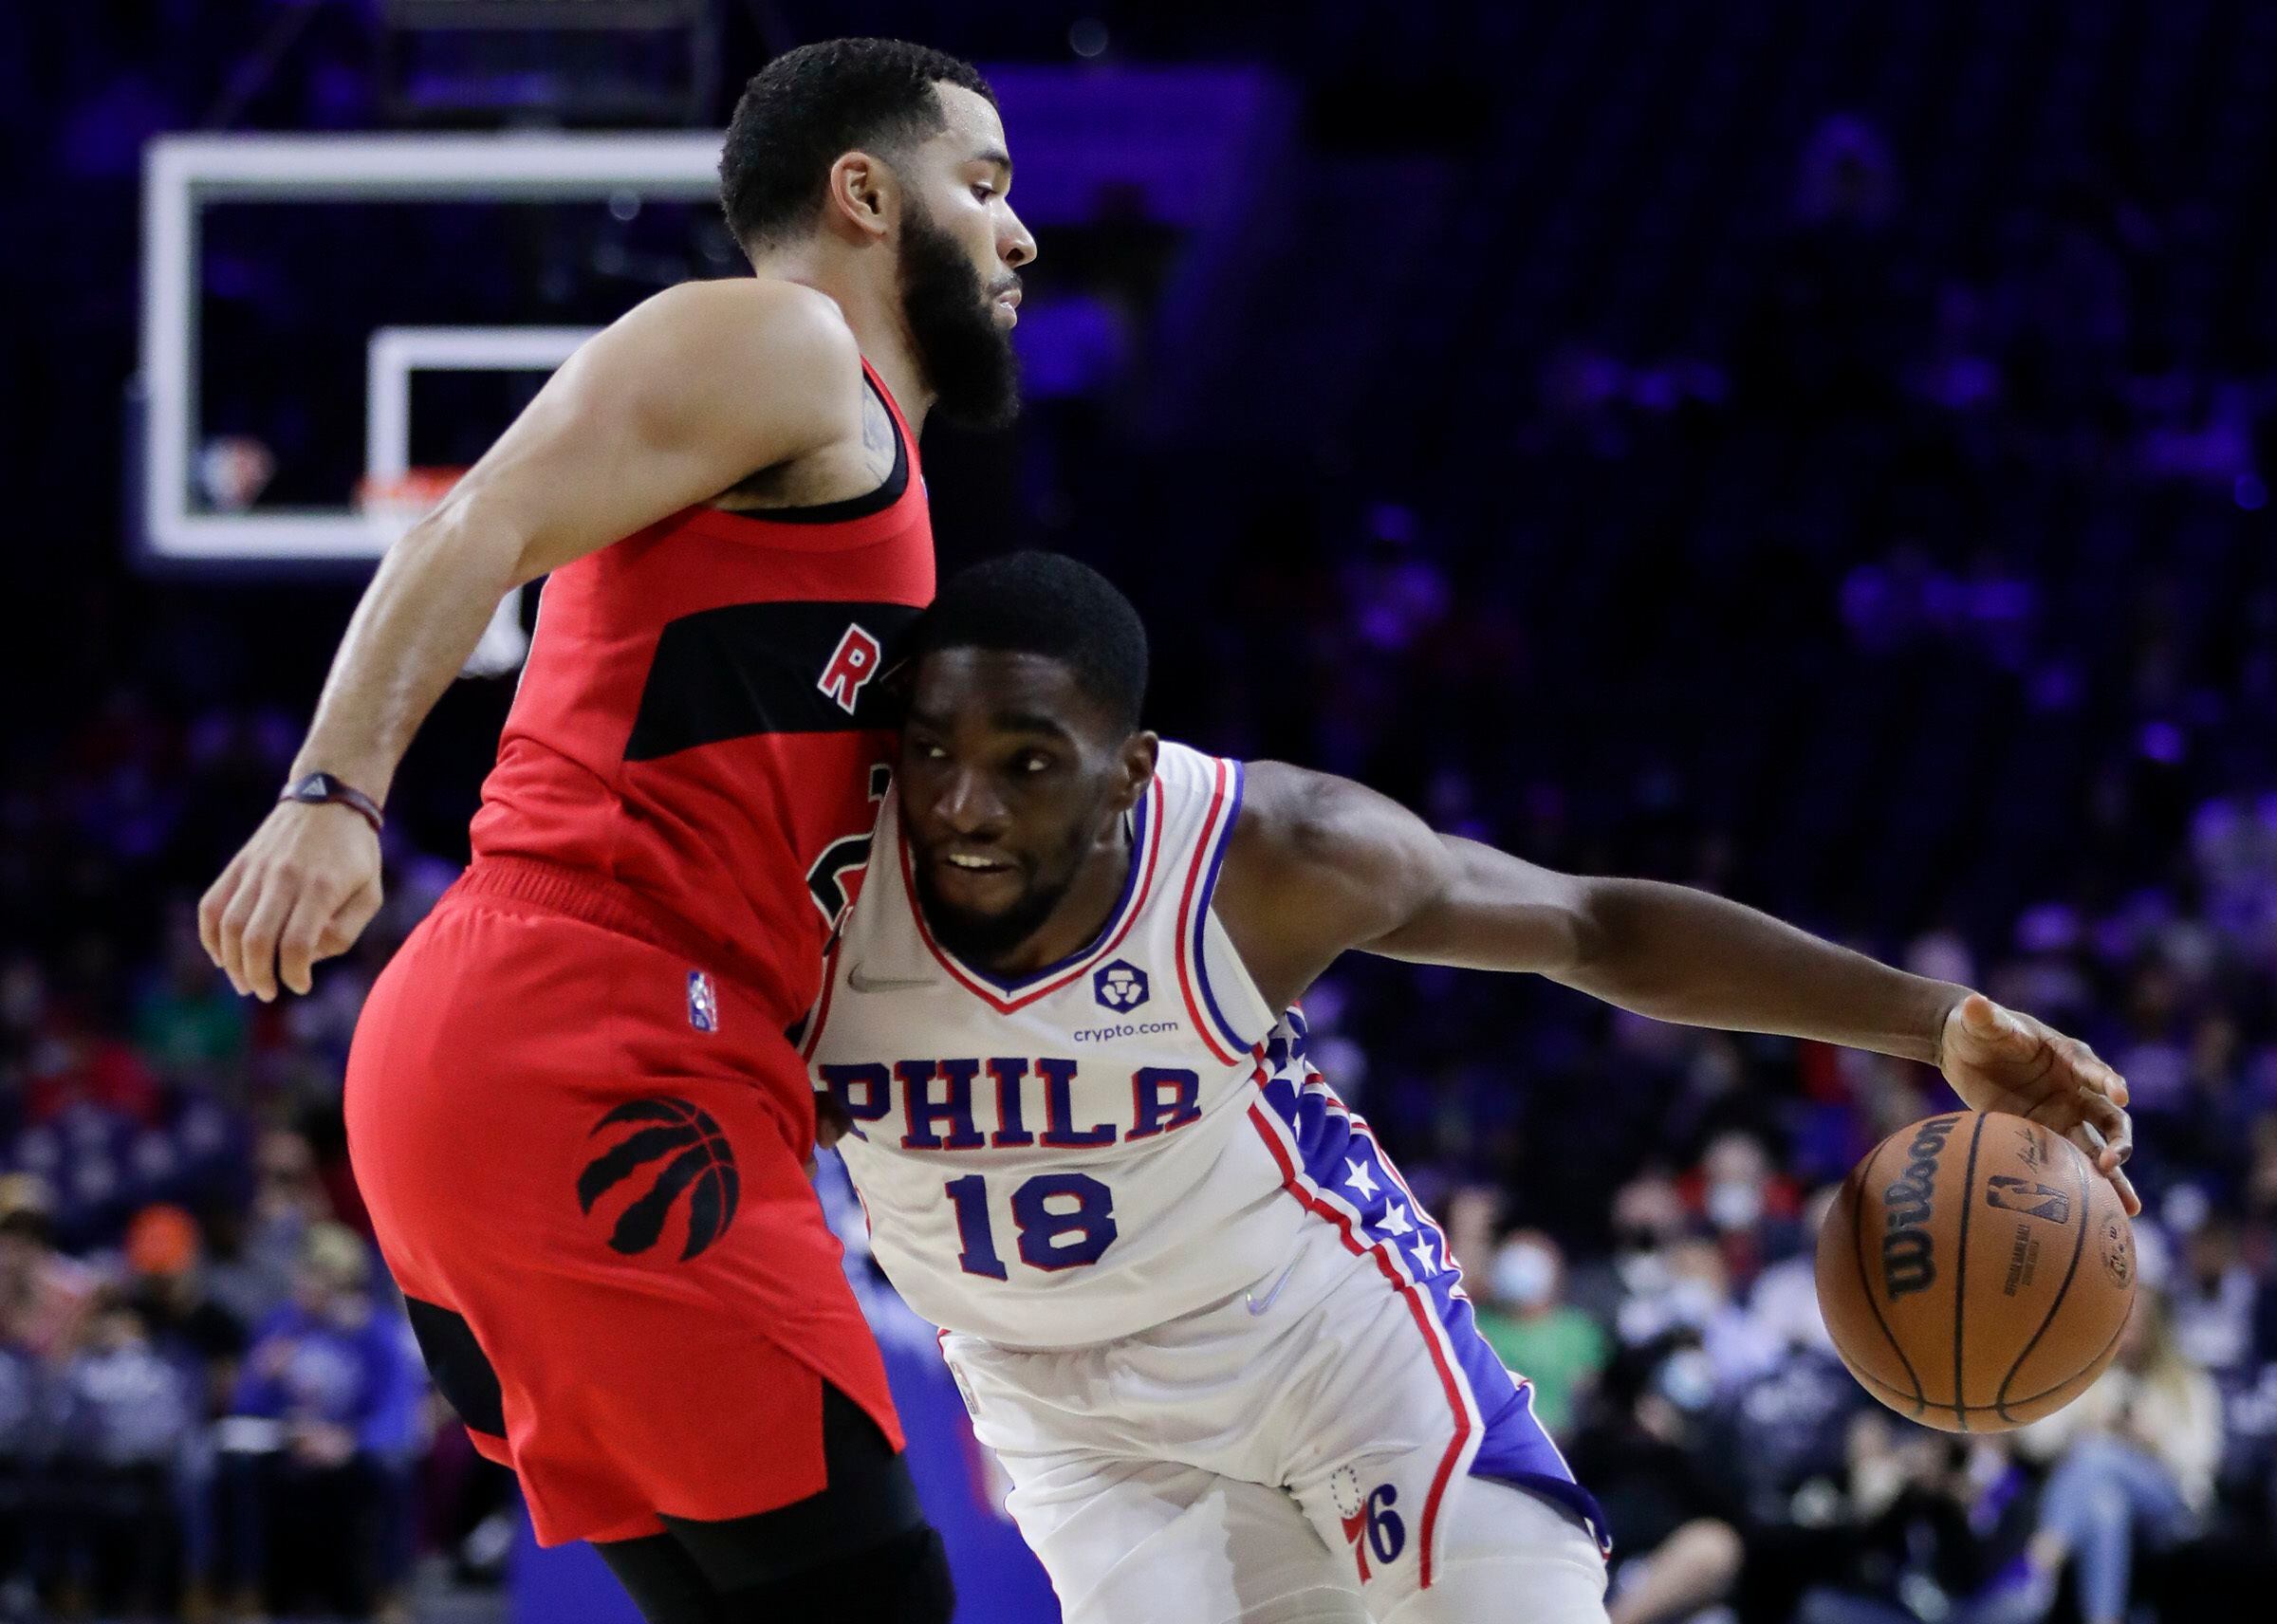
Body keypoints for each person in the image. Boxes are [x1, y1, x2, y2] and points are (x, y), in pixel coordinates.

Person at [803, 551, 2139, 1624]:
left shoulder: (1267, 857)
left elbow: (1591, 925)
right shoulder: (814, 899)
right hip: (1067, 1416)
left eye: (1029, 762)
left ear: (1128, 776)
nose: (964, 804)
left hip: (1314, 1336)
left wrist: (1930, 1022)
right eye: (933, 752)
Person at [196, 37, 1034, 1623]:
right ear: (864, 194)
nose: (1020, 232)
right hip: (589, 1030)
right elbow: (476, 520)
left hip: (616, 1044)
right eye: (981, 185)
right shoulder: (785, 339)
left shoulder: (870, 468)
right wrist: (333, 790)